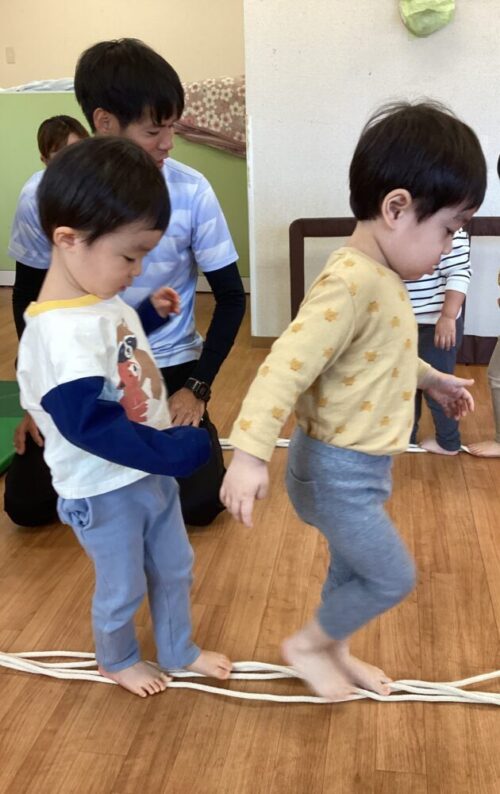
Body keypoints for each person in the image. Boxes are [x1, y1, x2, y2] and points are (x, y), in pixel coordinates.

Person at [220, 101, 486, 702]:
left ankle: (333, 648)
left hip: (361, 469)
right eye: (449, 229)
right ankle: (309, 645)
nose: (449, 247)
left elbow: (384, 353)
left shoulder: (383, 280)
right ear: (396, 209)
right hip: (334, 472)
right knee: (390, 576)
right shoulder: (349, 282)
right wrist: (250, 454)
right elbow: (281, 369)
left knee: (351, 570)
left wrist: (433, 380)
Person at [16, 136, 232, 697]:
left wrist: (146, 316)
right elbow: (89, 423)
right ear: (68, 240)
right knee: (124, 584)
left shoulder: (95, 298)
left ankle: (179, 648)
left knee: (174, 564)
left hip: (144, 469)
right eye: (129, 256)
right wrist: (173, 452)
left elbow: (113, 347)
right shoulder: (55, 334)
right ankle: (116, 659)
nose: (137, 270)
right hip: (103, 487)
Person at [5, 38, 246, 528]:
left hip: (165, 363)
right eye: (154, 130)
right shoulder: (43, 195)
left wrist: (195, 388)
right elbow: (27, 299)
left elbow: (229, 295)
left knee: (201, 503)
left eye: (172, 127)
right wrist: (38, 400)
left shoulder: (191, 190)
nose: (169, 143)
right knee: (27, 506)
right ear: (105, 122)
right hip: (80, 368)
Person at [10, 115, 89, 339]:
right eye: (61, 156)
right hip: (52, 284)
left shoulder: (104, 184)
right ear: (45, 160)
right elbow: (28, 287)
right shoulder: (34, 200)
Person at [405, 228, 471, 454]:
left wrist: (448, 316)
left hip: (437, 324)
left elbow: (459, 273)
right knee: (405, 382)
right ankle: (406, 437)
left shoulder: (450, 228)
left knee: (439, 385)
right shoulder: (397, 228)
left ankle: (448, 441)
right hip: (400, 321)